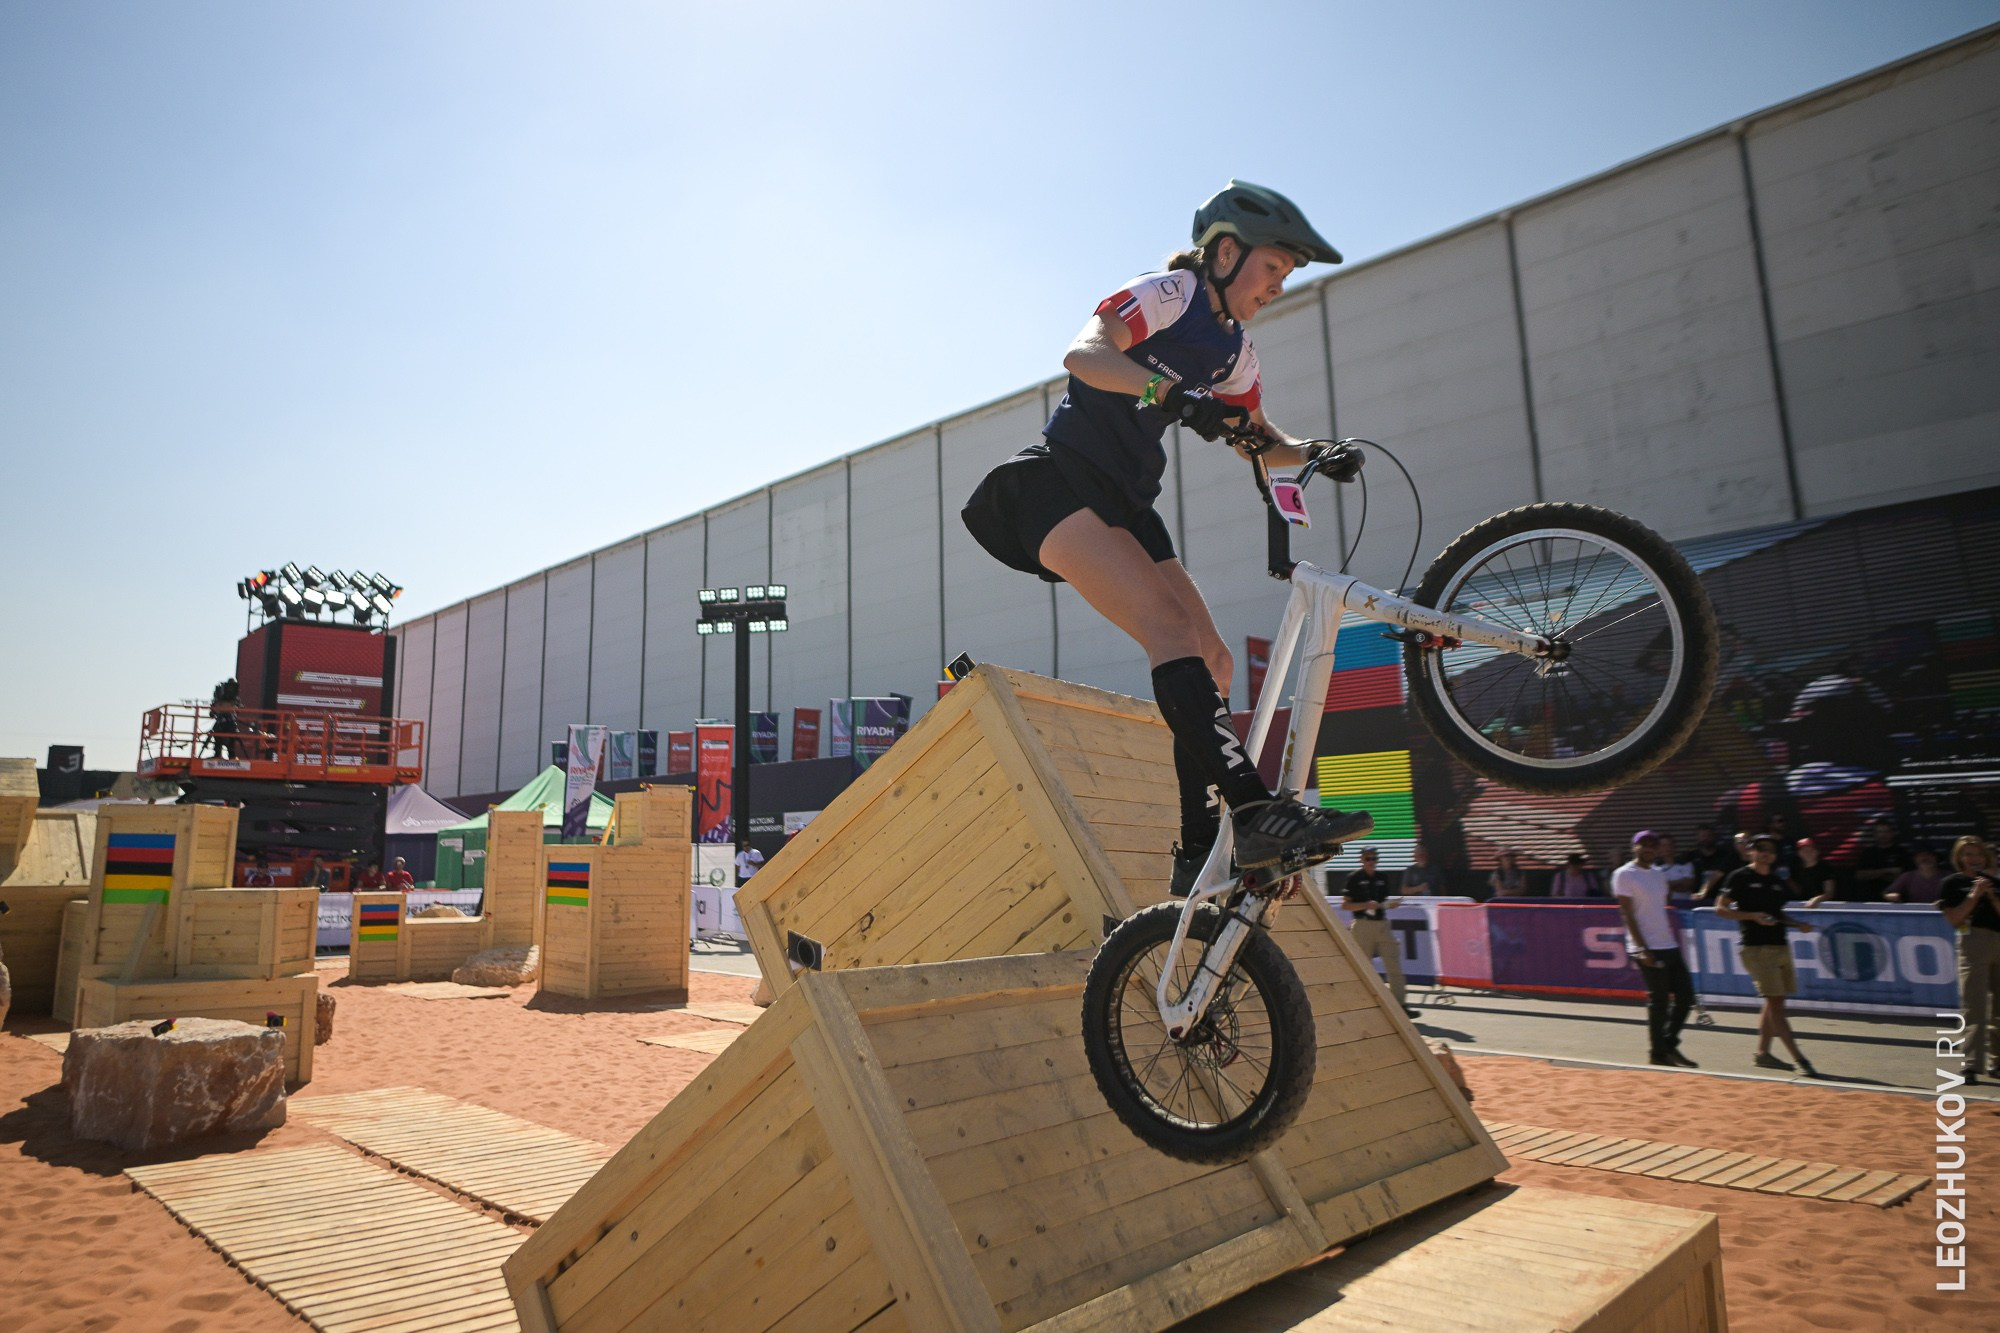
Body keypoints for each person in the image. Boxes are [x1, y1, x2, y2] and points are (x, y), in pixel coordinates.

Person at [960, 180, 1368, 897]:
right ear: (1227, 251)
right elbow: (1084, 356)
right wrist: (1170, 393)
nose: (1277, 287)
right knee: (1170, 631)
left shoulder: (1235, 352)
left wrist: (1313, 451)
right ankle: (1253, 809)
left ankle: (1197, 849)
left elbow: (1257, 437)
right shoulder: (1170, 293)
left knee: (1212, 659)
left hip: (1127, 504)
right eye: (1272, 269)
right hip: (1058, 484)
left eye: (1286, 277)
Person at [1717, 834, 1818, 1076]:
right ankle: (1800, 1059)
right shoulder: (1740, 877)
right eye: (1761, 848)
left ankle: (1763, 1053)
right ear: (1751, 850)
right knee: (1776, 1005)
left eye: (1771, 850)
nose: (1766, 853)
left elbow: (1778, 915)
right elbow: (1721, 909)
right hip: (1756, 948)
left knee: (1775, 1002)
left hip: (1780, 946)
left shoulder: (1776, 881)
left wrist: (1798, 924)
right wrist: (1752, 916)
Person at [1612, 831, 1695, 1068]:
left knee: (1685, 997)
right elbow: (1627, 914)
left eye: (1653, 845)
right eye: (1643, 844)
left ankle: (1667, 1045)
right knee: (1659, 1001)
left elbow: (1659, 908)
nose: (1648, 848)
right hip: (1646, 947)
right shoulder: (1624, 875)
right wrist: (1641, 948)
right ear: (1634, 847)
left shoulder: (1659, 875)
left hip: (1668, 944)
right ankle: (1658, 1053)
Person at [1939, 837, 2000, 1084]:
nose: (1974, 859)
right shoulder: (1952, 884)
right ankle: (1971, 1065)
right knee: (1974, 1005)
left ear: (1985, 857)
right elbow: (1954, 918)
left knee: (1999, 1009)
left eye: (1977, 854)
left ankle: (1997, 1063)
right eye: (1967, 854)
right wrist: (1974, 895)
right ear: (1959, 858)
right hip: (1973, 940)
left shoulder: (1995, 882)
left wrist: (1992, 896)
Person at [1342, 848, 1412, 1015]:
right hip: (1362, 925)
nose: (1371, 861)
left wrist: (1390, 904)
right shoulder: (1354, 878)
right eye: (1367, 858)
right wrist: (1365, 905)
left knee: (1393, 962)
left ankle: (1400, 1005)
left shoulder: (1382, 877)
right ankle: (1363, 1005)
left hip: (1382, 924)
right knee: (1363, 966)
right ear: (1362, 860)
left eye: (1373, 858)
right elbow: (1345, 905)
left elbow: (1382, 902)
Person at [1852, 817, 1913, 901]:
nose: (1883, 835)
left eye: (1886, 832)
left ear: (1892, 833)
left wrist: (1874, 874)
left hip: (1896, 898)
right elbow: (1859, 875)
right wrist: (1886, 871)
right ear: (1874, 834)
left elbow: (1909, 876)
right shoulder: (1868, 853)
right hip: (1870, 897)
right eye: (1879, 832)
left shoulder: (1901, 852)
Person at [1687, 823, 1740, 900]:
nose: (1706, 839)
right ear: (1697, 837)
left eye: (1709, 836)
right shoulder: (1691, 856)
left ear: (1714, 837)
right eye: (1703, 836)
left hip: (1719, 898)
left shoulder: (1725, 855)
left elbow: (1719, 874)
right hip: (1697, 899)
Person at [1792, 837, 1843, 906]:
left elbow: (1830, 893)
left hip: (1824, 907)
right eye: (1803, 850)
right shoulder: (1796, 869)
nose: (1807, 853)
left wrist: (1816, 899)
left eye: (1810, 850)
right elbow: (1797, 891)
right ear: (1798, 853)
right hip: (1802, 906)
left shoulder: (1825, 869)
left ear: (1817, 852)